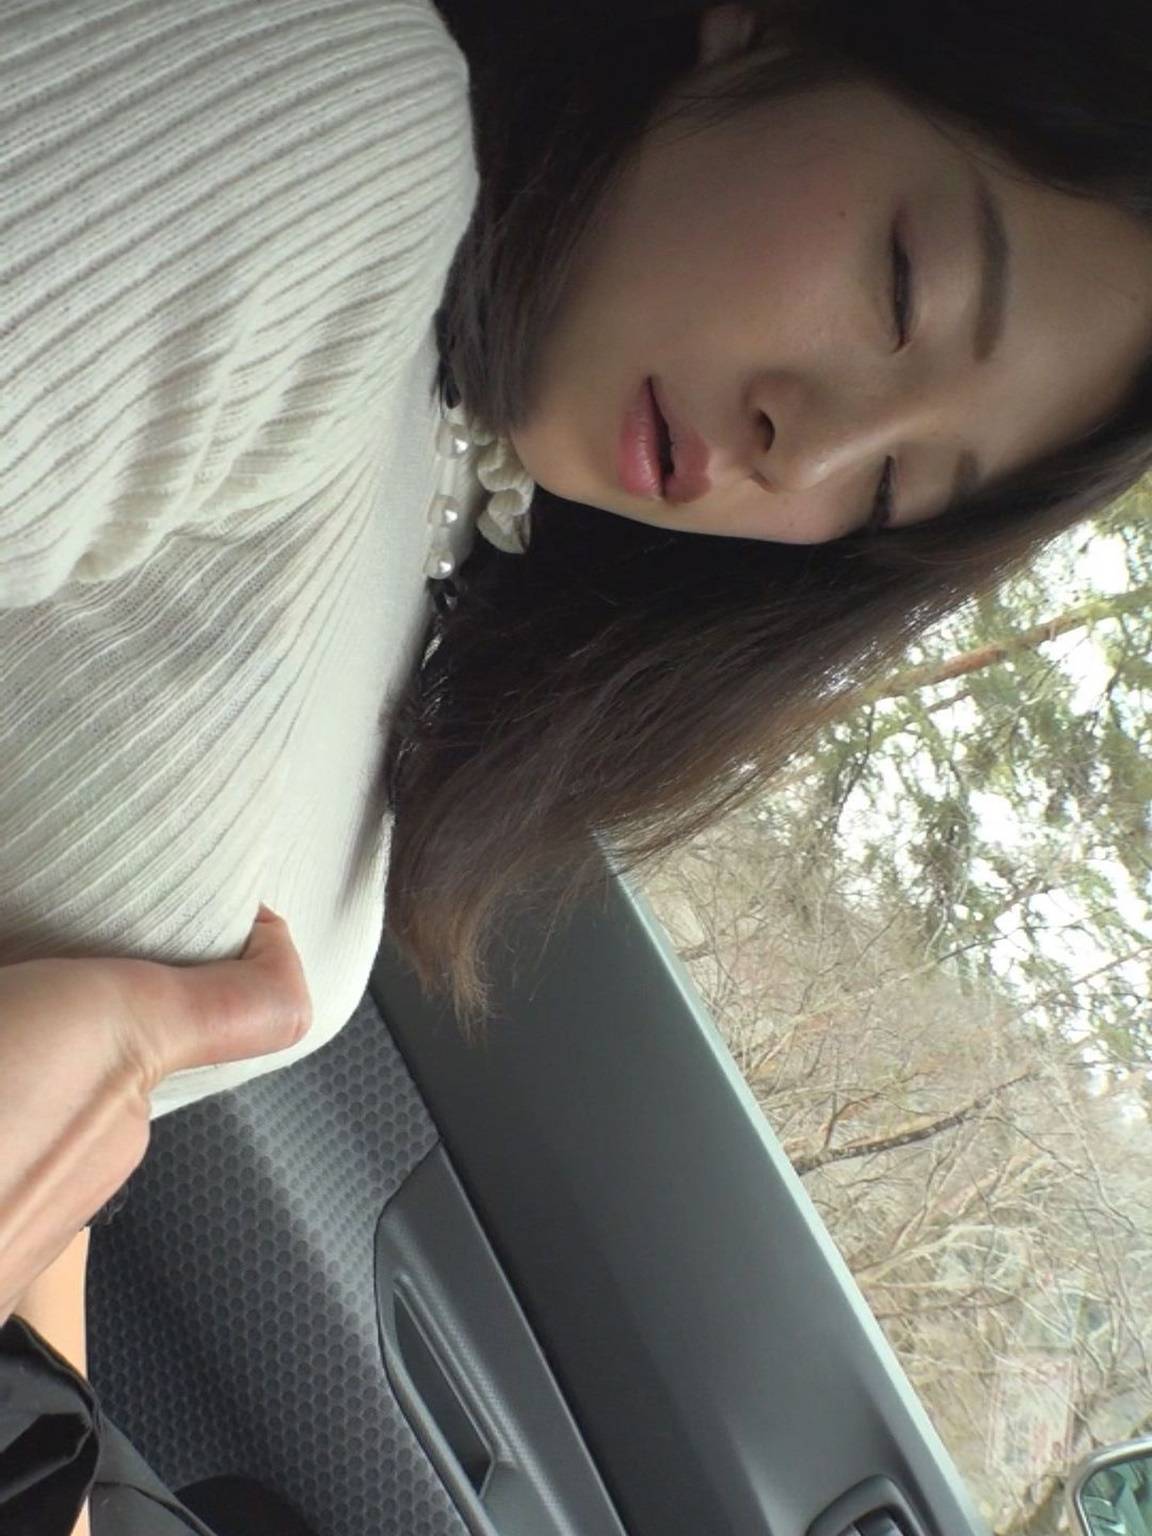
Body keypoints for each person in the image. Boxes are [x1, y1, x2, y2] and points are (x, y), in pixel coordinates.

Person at [3, 0, 1152, 1528]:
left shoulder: (441, 516)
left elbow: (59, 1131)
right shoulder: (340, 141)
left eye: (890, 484)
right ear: (767, 29)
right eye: (901, 286)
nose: (804, 450)